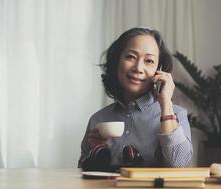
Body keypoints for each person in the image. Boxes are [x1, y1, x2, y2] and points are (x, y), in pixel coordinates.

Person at [78, 27, 193, 171]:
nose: (138, 68)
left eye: (149, 61)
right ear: (117, 61)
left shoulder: (177, 114)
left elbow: (178, 164)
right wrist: (96, 151)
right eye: (131, 57)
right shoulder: (98, 119)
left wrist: (166, 104)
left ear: (159, 70)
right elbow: (82, 175)